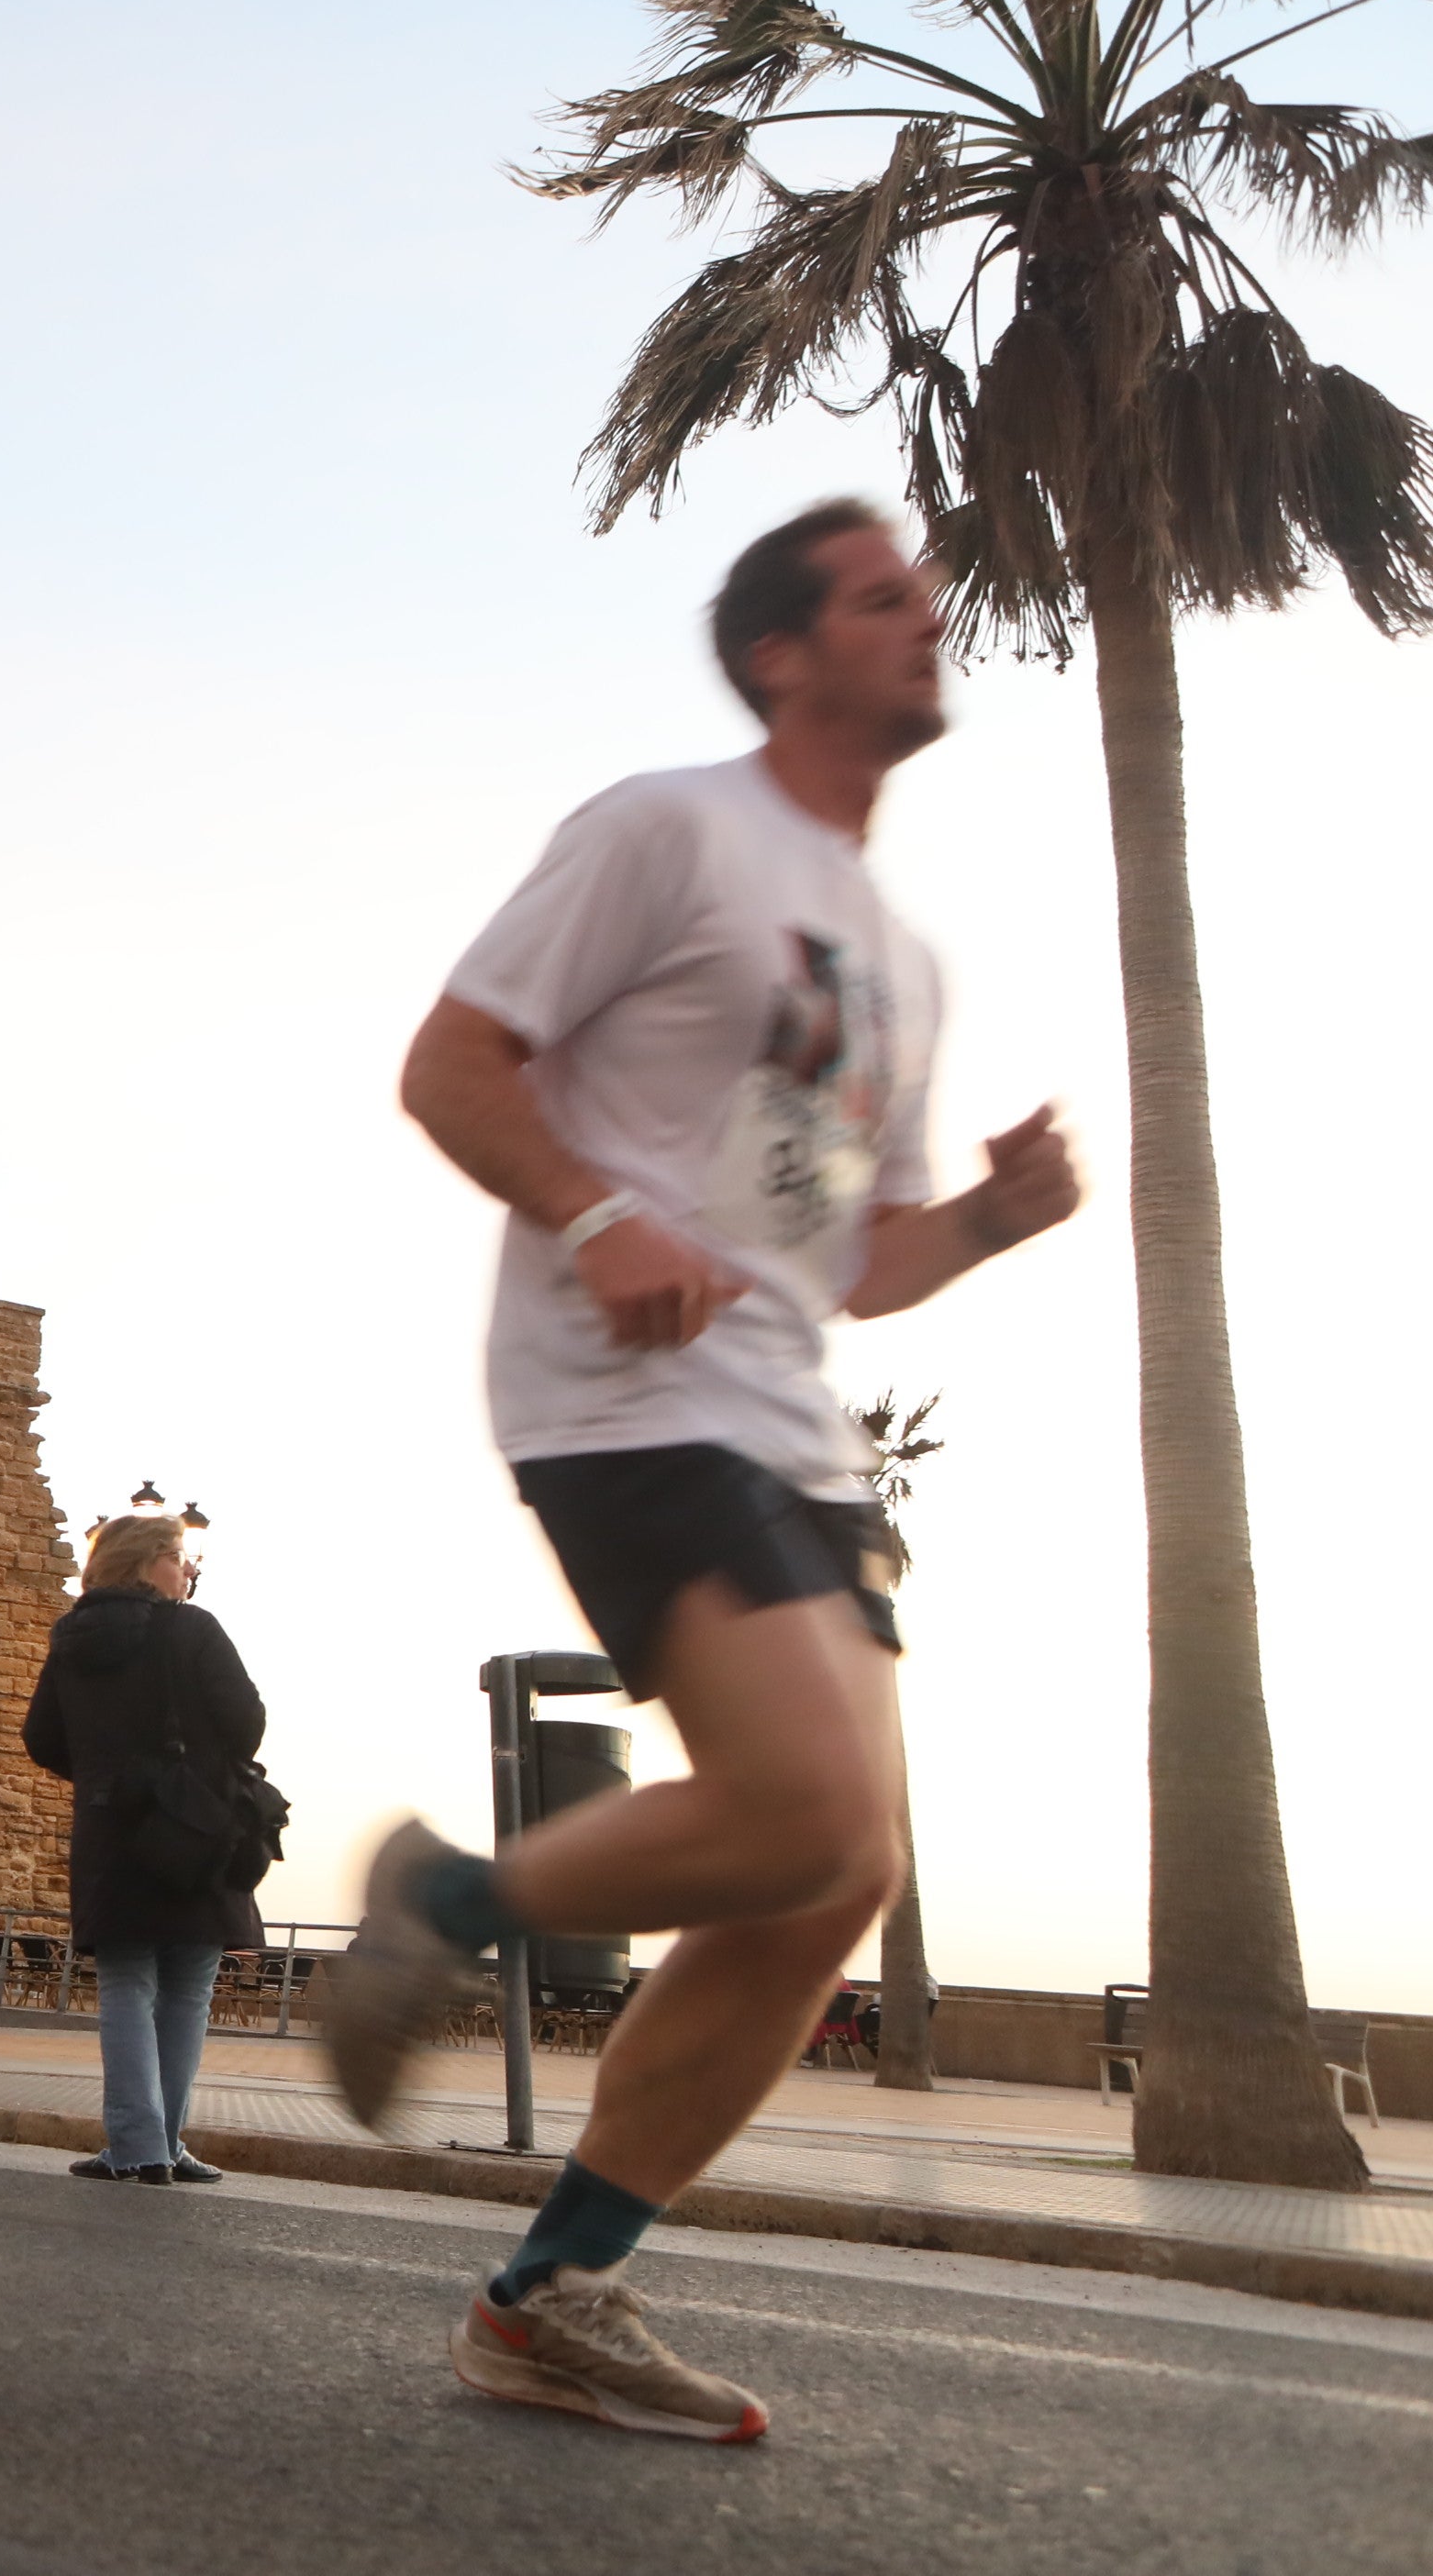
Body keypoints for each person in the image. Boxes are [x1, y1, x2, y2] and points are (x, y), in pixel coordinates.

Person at [357, 501, 1080, 2442]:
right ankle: (444, 1898)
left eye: (925, 597)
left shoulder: (895, 958)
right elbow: (451, 1064)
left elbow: (844, 1254)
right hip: (621, 1392)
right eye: (882, 598)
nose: (929, 619)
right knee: (808, 1803)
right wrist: (599, 1220)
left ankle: (550, 2294)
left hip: (790, 1423)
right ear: (780, 655)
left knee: (829, 1873)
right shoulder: (666, 830)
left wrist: (998, 1222)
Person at [23, 1512, 267, 2185]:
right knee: (188, 1987)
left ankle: (136, 2146)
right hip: (196, 1829)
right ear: (144, 1563)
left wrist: (108, 1774)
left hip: (113, 1831)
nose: (188, 1569)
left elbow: (41, 1737)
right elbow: (246, 1721)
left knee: (125, 1985)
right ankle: (166, 2141)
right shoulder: (194, 1628)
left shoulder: (72, 1637)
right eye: (178, 1556)